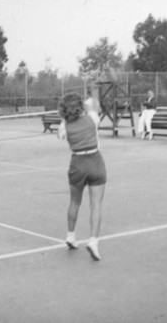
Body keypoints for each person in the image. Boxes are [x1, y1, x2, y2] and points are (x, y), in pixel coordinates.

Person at [57, 93, 107, 261]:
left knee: (74, 202)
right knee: (96, 205)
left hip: (77, 164)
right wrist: (93, 97)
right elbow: (94, 106)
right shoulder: (92, 118)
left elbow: (61, 136)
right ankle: (93, 241)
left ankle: (71, 236)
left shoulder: (64, 124)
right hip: (95, 162)